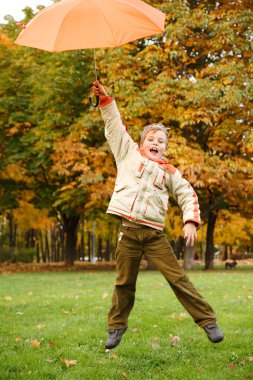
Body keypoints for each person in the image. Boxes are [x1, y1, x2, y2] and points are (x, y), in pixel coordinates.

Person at [92, 81, 224, 350]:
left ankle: (208, 321)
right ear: (142, 142)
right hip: (128, 234)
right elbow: (115, 126)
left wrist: (190, 220)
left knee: (178, 278)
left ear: (165, 148)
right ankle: (116, 327)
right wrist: (106, 101)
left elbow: (187, 194)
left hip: (154, 236)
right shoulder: (127, 154)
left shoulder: (169, 172)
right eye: (151, 139)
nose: (156, 143)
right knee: (124, 282)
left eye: (160, 141)